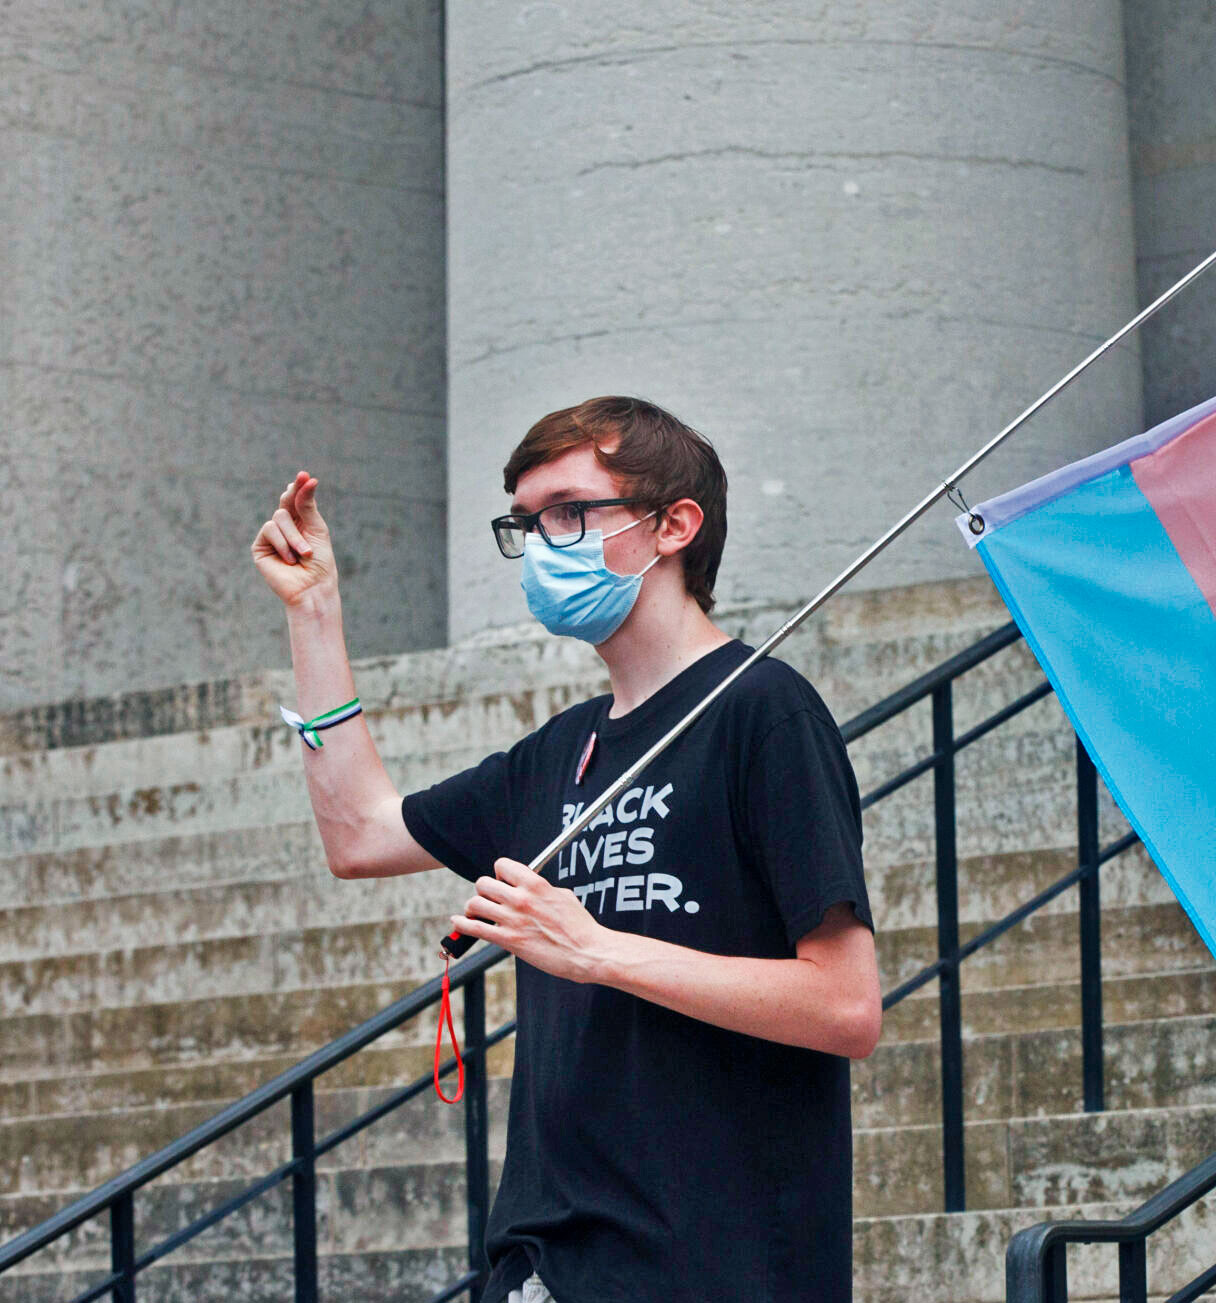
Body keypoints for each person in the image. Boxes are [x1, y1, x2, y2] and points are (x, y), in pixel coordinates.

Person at [251, 396, 880, 1303]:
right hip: (547, 1263)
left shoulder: (762, 710)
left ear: (674, 525)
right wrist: (316, 614)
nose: (543, 543)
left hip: (717, 1262)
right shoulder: (559, 750)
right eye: (527, 521)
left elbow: (846, 1005)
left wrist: (596, 950)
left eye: (571, 512)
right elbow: (358, 832)